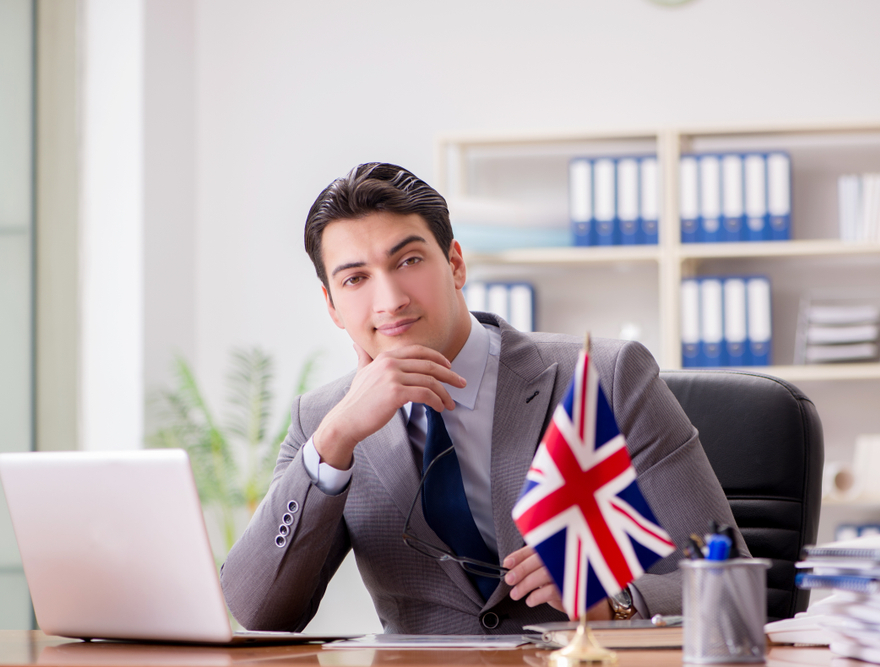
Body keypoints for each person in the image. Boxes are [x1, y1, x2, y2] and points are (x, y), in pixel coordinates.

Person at [221, 162, 747, 635]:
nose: (391, 299)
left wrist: (612, 602)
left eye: (407, 261)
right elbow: (260, 612)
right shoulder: (321, 421)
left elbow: (735, 586)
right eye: (356, 279)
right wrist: (336, 438)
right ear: (333, 306)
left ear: (454, 264)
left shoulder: (606, 378)